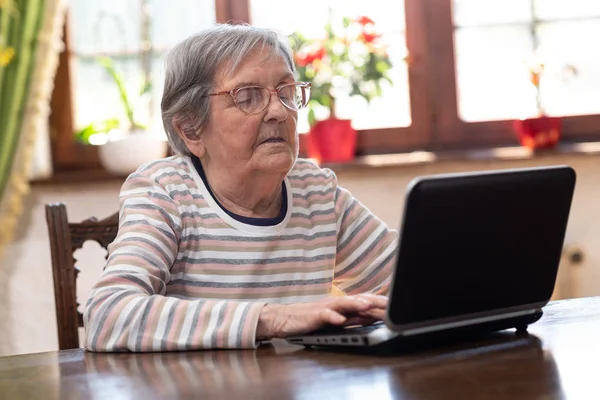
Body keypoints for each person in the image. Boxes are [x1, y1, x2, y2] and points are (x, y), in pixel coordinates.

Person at [83, 23, 398, 352]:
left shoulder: (316, 192)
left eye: (287, 92)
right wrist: (272, 319)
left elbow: (415, 285)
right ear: (191, 130)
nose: (278, 111)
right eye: (247, 97)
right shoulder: (165, 193)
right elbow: (108, 316)